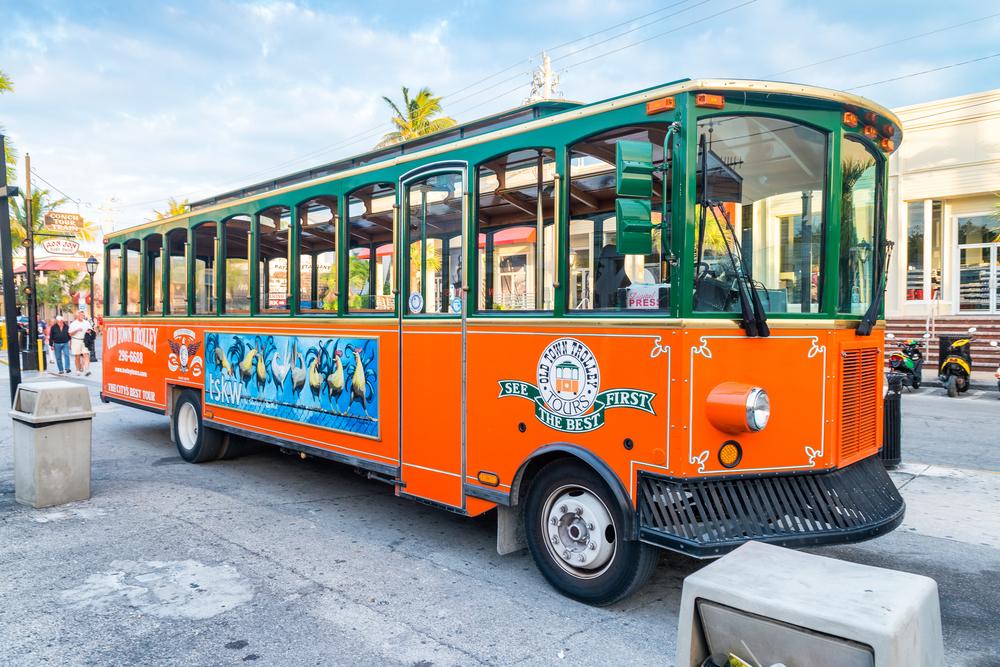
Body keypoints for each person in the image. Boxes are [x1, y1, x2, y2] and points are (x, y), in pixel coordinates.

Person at [68, 311, 93, 376]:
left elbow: (91, 330)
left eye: (83, 315)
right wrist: (77, 330)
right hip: (76, 340)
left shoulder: (86, 322)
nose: (82, 316)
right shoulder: (73, 323)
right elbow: (70, 334)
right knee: (77, 356)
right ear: (77, 316)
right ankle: (78, 370)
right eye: (81, 315)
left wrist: (89, 331)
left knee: (86, 354)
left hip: (85, 340)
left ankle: (86, 370)